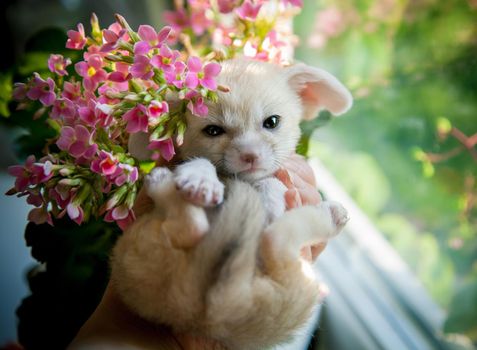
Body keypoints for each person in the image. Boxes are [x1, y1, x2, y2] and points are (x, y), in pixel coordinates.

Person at [68, 154, 326, 350]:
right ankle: (286, 238)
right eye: (214, 129)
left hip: (158, 303)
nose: (250, 150)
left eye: (271, 123)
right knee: (288, 287)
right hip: (248, 309)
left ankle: (183, 219)